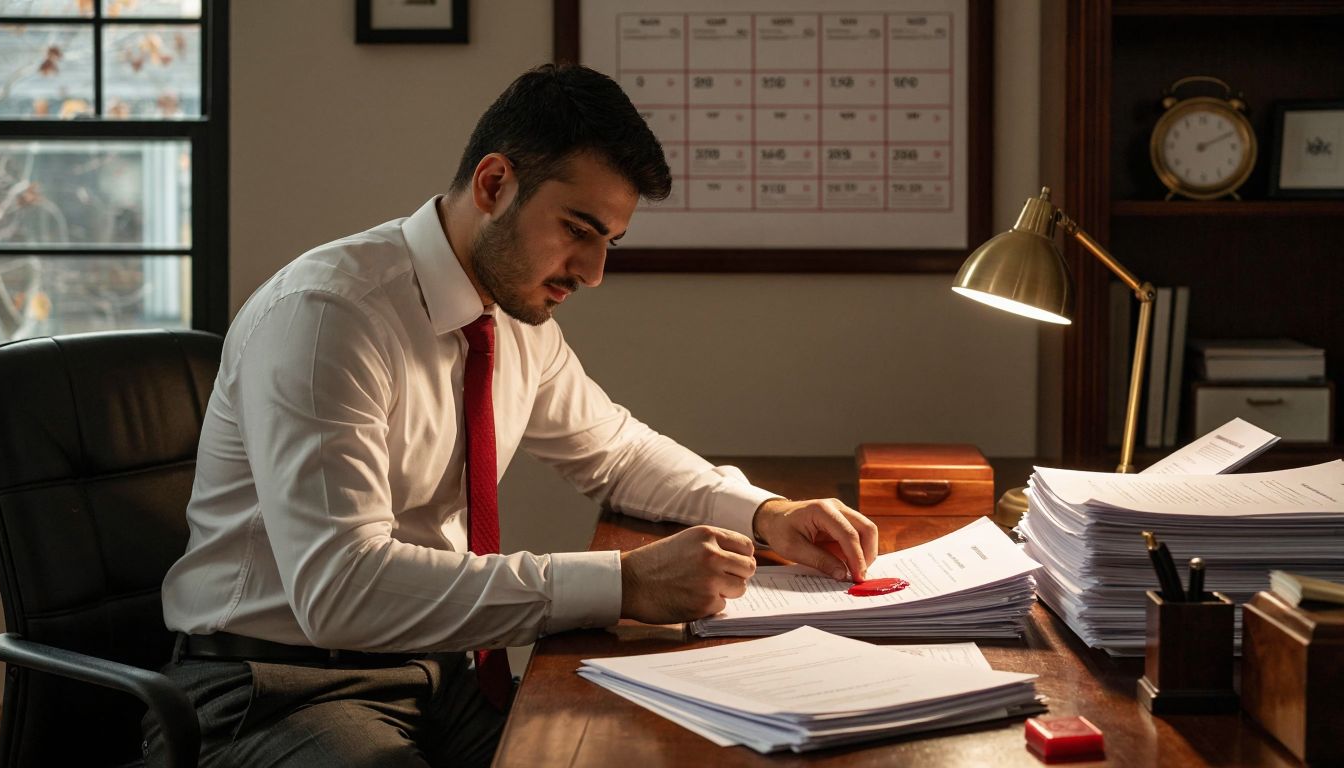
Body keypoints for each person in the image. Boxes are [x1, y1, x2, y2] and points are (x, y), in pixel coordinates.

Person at [149, 63, 877, 767]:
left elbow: (619, 456)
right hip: (269, 690)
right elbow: (340, 589)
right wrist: (622, 583)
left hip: (432, 676)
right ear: (495, 183)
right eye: (578, 229)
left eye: (608, 243)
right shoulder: (329, 317)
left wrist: (766, 512)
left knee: (644, 748)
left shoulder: (515, 326)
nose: (592, 273)